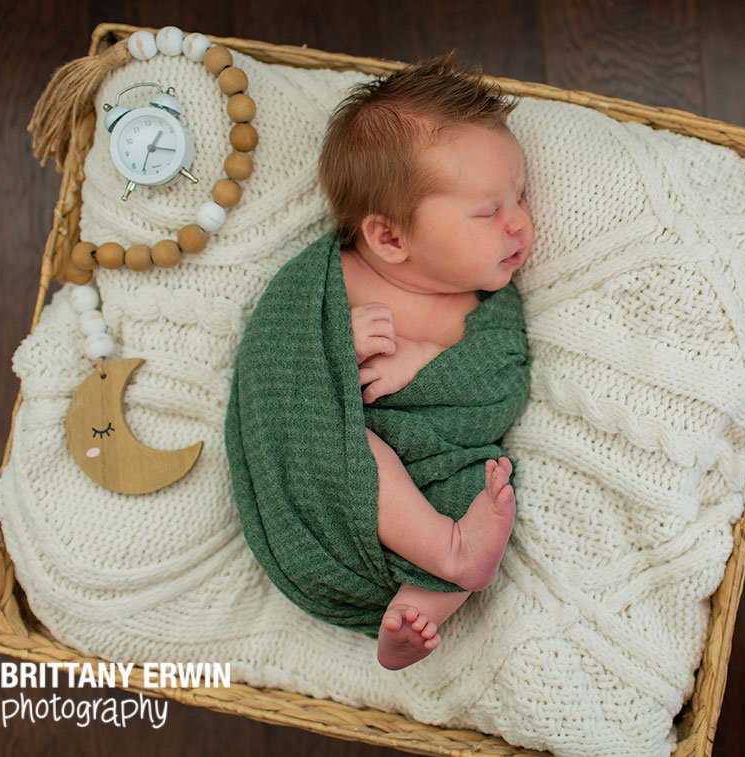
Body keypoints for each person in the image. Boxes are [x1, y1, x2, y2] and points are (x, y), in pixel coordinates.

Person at [317, 50, 534, 669]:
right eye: (490, 212)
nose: (520, 223)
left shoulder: (482, 304)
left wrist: (424, 361)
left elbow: (502, 377)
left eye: (518, 198)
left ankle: (412, 617)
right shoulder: (330, 279)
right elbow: (285, 362)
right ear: (389, 237)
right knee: (348, 449)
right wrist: (336, 345)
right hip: (347, 462)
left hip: (440, 459)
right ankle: (448, 551)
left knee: (486, 493)